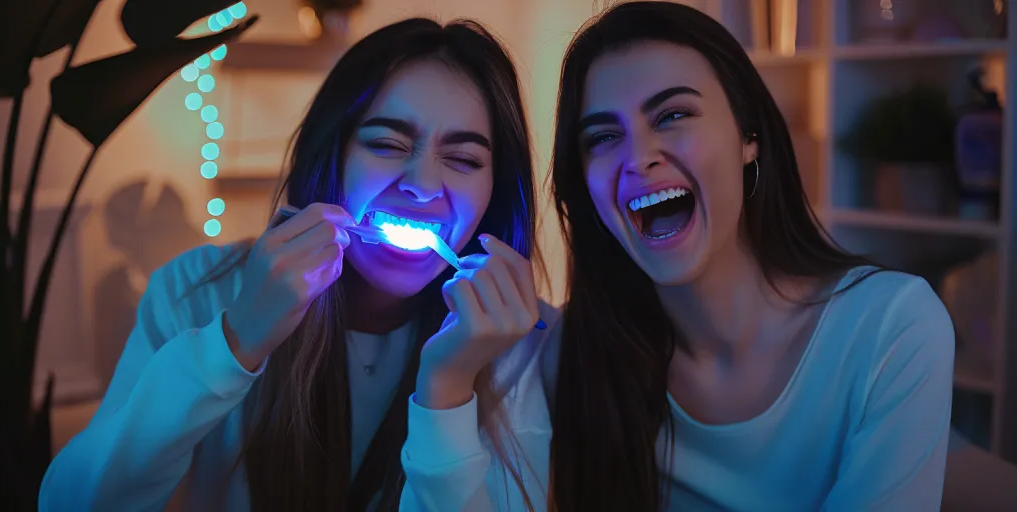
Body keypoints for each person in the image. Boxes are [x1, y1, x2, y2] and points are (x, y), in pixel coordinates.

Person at [401, 2, 955, 511]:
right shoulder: (565, 356)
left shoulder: (891, 328)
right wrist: (444, 381)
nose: (638, 157)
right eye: (602, 137)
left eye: (672, 116)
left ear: (748, 136)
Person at [39, 17, 556, 512]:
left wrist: (449, 388)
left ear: (495, 192)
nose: (421, 186)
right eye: (386, 143)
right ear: (330, 153)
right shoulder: (195, 292)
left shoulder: (516, 341)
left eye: (464, 159)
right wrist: (235, 341)